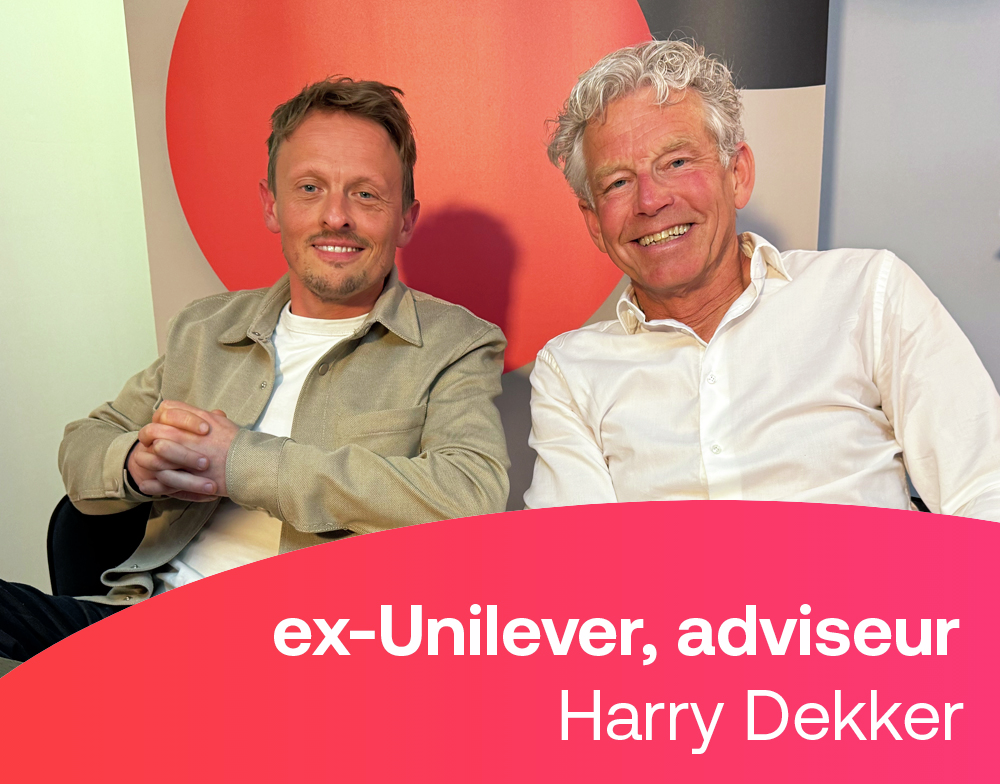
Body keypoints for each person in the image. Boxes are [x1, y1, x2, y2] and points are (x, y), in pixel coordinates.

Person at [0, 77, 509, 667]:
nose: (336, 216)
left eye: (367, 195)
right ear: (272, 205)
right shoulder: (205, 328)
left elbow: (470, 497)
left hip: (302, 652)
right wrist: (136, 465)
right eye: (310, 188)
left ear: (404, 220)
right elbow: (85, 443)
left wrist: (240, 462)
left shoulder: (455, 345)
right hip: (140, 624)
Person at [524, 40, 1000, 517]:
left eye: (677, 163)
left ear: (737, 174)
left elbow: (984, 489)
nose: (650, 200)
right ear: (594, 222)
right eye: (618, 183)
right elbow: (572, 553)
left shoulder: (868, 294)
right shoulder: (570, 373)